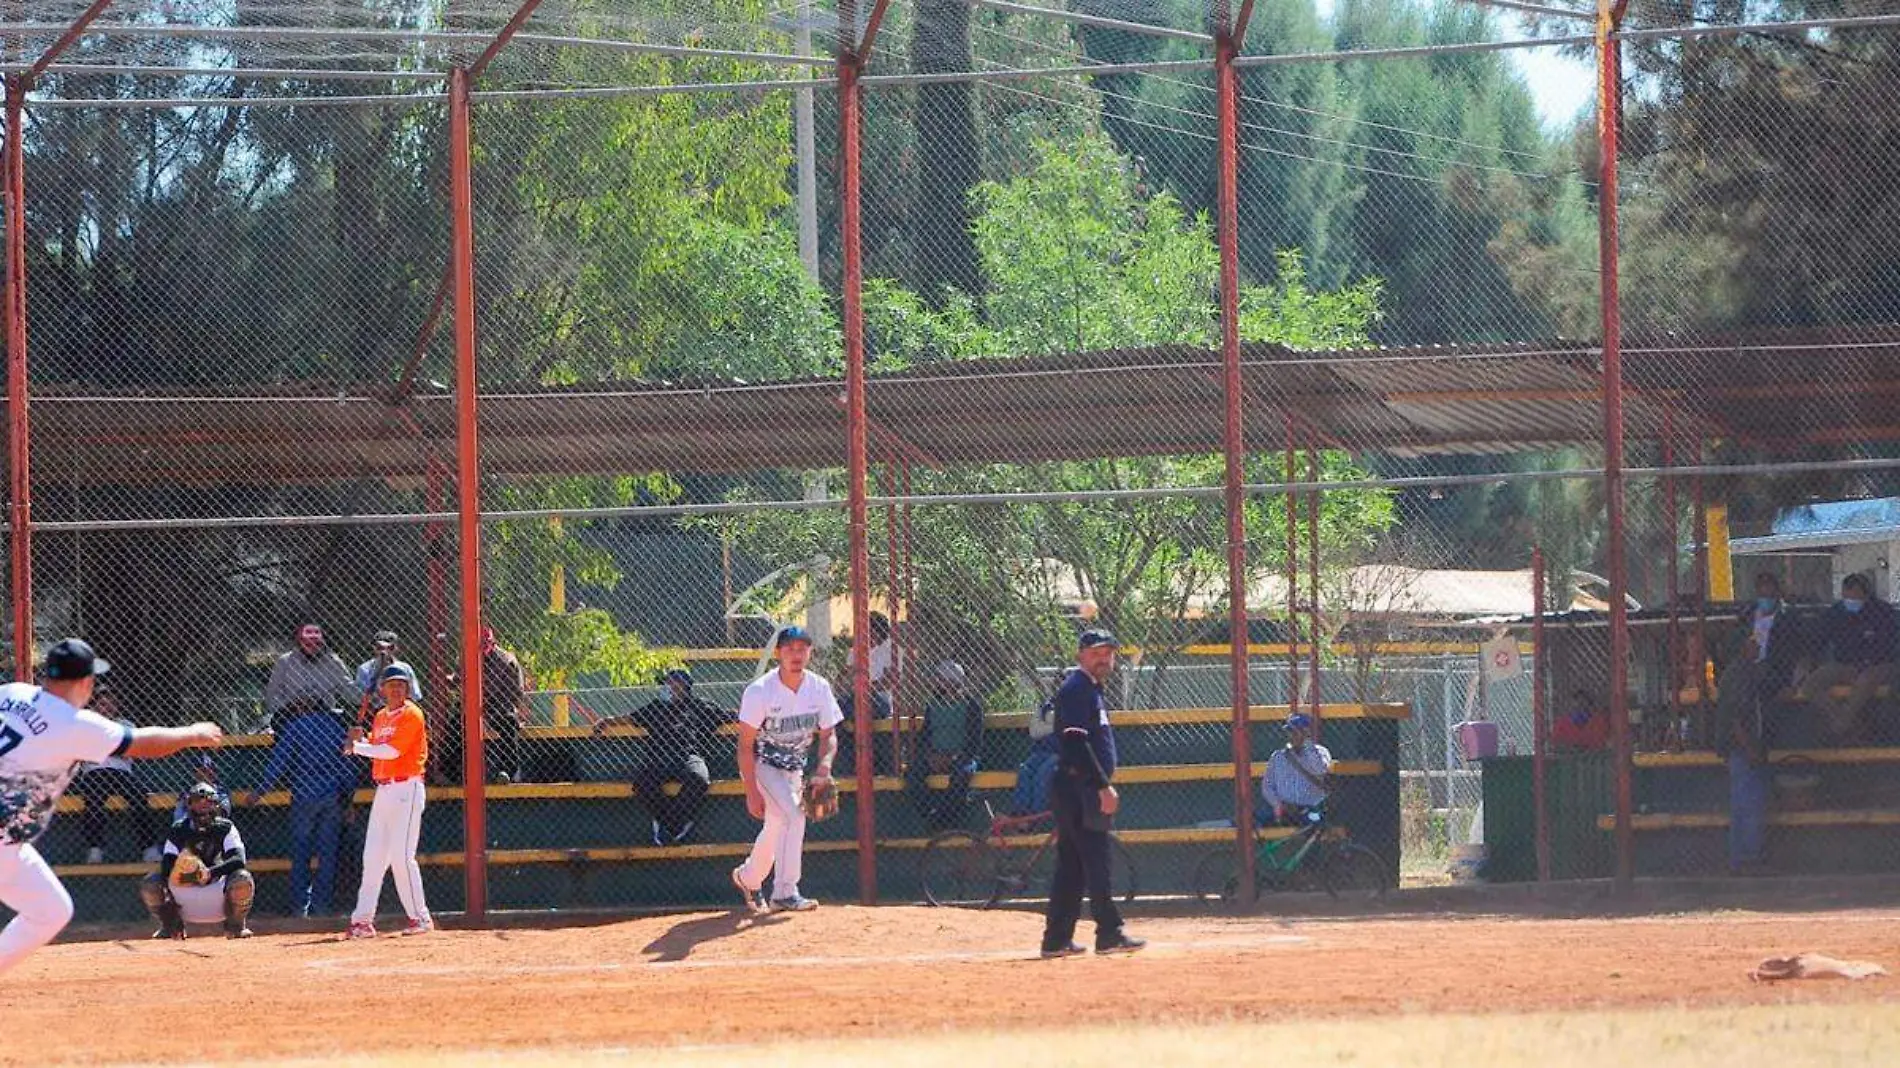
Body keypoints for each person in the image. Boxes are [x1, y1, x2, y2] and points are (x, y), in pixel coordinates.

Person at [0, 638, 223, 977]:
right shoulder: (74, 723)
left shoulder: (12, 693)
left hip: (8, 844)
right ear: (86, 683)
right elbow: (143, 744)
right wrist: (192, 733)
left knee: (51, 910)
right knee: (49, 912)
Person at [1041, 629, 1144, 959]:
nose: (1104, 658)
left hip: (1075, 786)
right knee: (1096, 861)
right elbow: (1074, 742)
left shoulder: (1089, 690)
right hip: (1080, 787)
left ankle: (1056, 940)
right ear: (1081, 655)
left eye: (1109, 652)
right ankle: (1109, 933)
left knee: (1072, 866)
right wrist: (1103, 786)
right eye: (1097, 652)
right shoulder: (1077, 689)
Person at [731, 626, 841, 915]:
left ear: (810, 653)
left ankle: (748, 877)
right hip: (765, 767)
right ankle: (785, 892)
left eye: (802, 648)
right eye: (789, 649)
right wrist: (751, 791)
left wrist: (824, 768)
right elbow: (744, 746)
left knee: (778, 824)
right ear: (778, 654)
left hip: (795, 772)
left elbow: (829, 734)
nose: (796, 654)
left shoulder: (819, 688)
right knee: (795, 816)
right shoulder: (760, 691)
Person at [1713, 573, 1806, 875]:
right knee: (1747, 802)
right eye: (1751, 644)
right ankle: (1745, 859)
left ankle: (1744, 857)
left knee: (1750, 801)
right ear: (1743, 648)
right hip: (1742, 746)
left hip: (1751, 743)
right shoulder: (1739, 675)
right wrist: (1750, 748)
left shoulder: (1756, 673)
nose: (1755, 647)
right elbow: (1737, 718)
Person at [238, 700, 356, 917]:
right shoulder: (336, 727)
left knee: (300, 853)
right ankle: (321, 908)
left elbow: (279, 762)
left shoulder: (297, 726)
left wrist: (260, 792)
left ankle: (299, 908)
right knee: (327, 855)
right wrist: (348, 801)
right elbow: (346, 767)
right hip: (331, 796)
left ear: (302, 708)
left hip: (304, 795)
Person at [344, 664, 433, 938]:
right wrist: (362, 739)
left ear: (407, 689)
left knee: (401, 858)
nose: (396, 689)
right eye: (391, 684)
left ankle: (420, 918)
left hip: (406, 788)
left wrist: (357, 747)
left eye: (401, 685)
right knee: (372, 858)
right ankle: (362, 922)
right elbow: (378, 744)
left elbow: (393, 751)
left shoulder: (412, 714)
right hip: (384, 790)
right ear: (381, 689)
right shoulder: (381, 716)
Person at [593, 669, 728, 846]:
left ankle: (668, 823)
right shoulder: (656, 706)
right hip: (658, 758)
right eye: (667, 683)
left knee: (699, 778)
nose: (669, 687)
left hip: (688, 756)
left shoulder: (699, 706)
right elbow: (630, 718)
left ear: (685, 687)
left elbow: (727, 715)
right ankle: (675, 824)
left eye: (674, 683)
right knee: (642, 784)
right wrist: (607, 721)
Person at [138, 782, 255, 940]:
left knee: (242, 878)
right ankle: (170, 926)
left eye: (208, 802)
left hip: (218, 894)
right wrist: (189, 874)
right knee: (151, 882)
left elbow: (238, 860)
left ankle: (236, 926)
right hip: (185, 895)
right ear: (189, 805)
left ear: (216, 805)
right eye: (197, 802)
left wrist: (209, 872)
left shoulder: (225, 828)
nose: (203, 806)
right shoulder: (179, 829)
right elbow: (167, 866)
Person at [1801, 574, 1898, 743]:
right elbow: (1817, 639)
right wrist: (1807, 662)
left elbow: (1891, 645)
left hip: (1879, 666)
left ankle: (1842, 725)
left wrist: (1869, 662)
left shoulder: (1884, 613)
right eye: (1847, 595)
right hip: (1846, 665)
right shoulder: (1835, 613)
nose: (1850, 600)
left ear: (1866, 595)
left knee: (1866, 680)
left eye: (1855, 596)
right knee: (1812, 683)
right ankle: (1848, 723)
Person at [72, 686, 162, 864]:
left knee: (139, 796)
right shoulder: (85, 722)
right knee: (93, 799)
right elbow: (82, 751)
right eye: (103, 704)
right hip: (94, 772)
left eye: (111, 703)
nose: (107, 707)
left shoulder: (126, 724)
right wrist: (114, 747)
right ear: (95, 705)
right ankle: (95, 848)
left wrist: (100, 747)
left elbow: (131, 750)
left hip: (121, 773)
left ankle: (149, 848)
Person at [904, 661, 985, 832]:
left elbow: (974, 742)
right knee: (912, 773)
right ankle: (930, 813)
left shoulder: (972, 706)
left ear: (952, 681)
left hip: (962, 757)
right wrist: (930, 757)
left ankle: (946, 820)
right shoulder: (933, 705)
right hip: (936, 756)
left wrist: (954, 757)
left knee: (961, 774)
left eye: (940, 679)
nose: (936, 682)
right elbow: (924, 737)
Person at [263, 624, 355, 738]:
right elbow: (272, 697)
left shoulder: (333, 662)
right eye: (307, 644)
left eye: (317, 644)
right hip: (291, 715)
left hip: (323, 715)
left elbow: (349, 691)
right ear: (299, 642)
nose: (313, 647)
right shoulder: (285, 661)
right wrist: (291, 706)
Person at [1260, 713, 1332, 825]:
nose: (1291, 735)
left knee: (1313, 824)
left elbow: (1320, 770)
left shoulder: (1320, 752)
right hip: (1285, 810)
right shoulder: (1278, 756)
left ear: (1307, 732)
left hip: (1310, 810)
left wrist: (1307, 744)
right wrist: (1278, 805)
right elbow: (1267, 786)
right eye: (1289, 731)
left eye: (1295, 732)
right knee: (1254, 821)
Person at [480, 628, 526, 785]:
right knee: (455, 723)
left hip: (500, 705)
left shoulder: (506, 660)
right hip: (475, 705)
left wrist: (490, 706)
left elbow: (516, 692)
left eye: (484, 645)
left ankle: (509, 772)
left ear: (493, 643)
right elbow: (459, 679)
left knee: (508, 723)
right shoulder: (469, 656)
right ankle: (449, 772)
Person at [356, 630, 423, 721]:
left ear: (396, 648)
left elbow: (415, 695)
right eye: (379, 647)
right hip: (374, 713)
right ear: (374, 648)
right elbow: (360, 697)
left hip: (401, 712)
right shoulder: (365, 669)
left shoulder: (405, 668)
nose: (384, 651)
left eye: (390, 647)